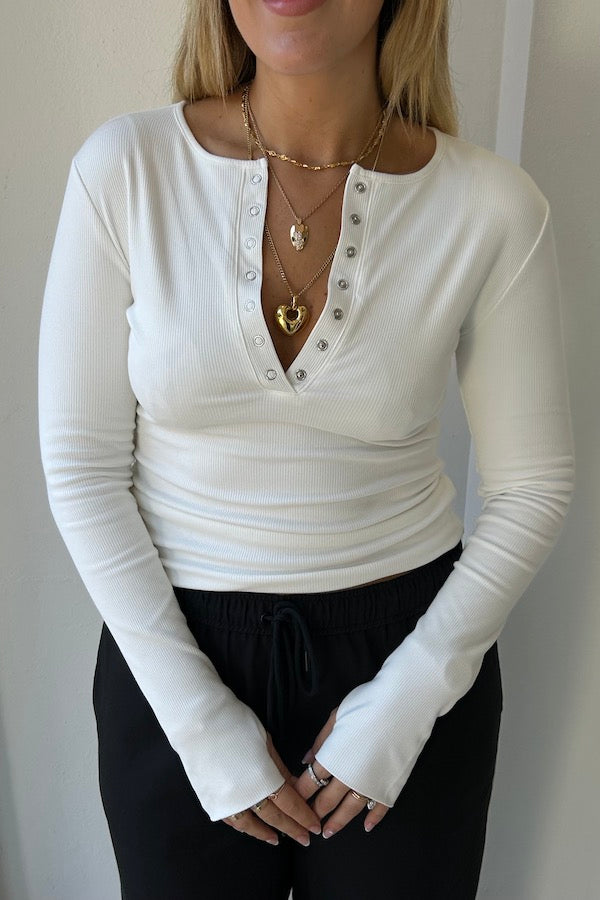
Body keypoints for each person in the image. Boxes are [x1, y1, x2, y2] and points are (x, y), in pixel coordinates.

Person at [38, 0, 575, 897]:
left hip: (409, 658)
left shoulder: (492, 206)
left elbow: (534, 487)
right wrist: (198, 720)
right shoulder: (126, 170)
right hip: (170, 656)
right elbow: (81, 468)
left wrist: (408, 702)